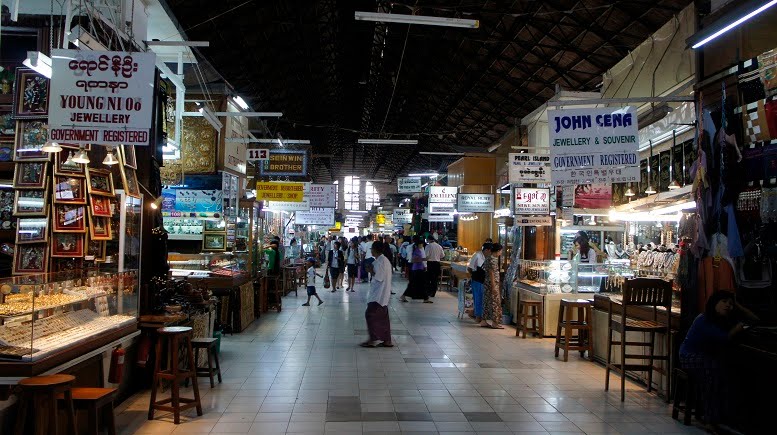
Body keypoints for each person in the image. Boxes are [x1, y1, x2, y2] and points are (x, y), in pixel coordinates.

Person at [680, 290, 759, 429]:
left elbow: (755, 320)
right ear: (714, 303)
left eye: (730, 303)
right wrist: (737, 328)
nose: (728, 305)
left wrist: (738, 306)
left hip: (707, 357)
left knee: (720, 370)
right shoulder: (704, 319)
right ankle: (711, 419)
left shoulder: (723, 319)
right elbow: (724, 338)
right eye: (724, 302)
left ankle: (720, 416)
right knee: (713, 372)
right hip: (689, 356)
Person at [361, 241, 393, 347]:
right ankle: (387, 340)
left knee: (370, 315)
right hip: (383, 294)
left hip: (378, 295)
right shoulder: (384, 260)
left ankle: (373, 339)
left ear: (374, 250)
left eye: (371, 249)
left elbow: (379, 277)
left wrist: (370, 271)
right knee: (383, 318)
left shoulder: (380, 262)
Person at [401, 236, 432, 303]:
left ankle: (425, 298)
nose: (422, 245)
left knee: (416, 284)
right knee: (418, 284)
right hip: (417, 269)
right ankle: (425, 298)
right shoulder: (417, 250)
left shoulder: (418, 250)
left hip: (419, 268)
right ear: (418, 244)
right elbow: (413, 260)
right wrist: (424, 259)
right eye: (421, 244)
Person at [467, 243, 492, 323]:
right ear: (487, 250)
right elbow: (470, 268)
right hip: (477, 280)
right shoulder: (477, 255)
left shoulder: (488, 257)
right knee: (478, 298)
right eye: (490, 251)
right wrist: (474, 276)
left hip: (483, 280)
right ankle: (478, 316)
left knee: (482, 299)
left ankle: (479, 314)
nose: (491, 253)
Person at [481, 243, 504, 329]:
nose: (501, 253)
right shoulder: (493, 259)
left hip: (487, 284)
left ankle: (484, 320)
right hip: (492, 284)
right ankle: (495, 322)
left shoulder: (488, 258)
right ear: (497, 251)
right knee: (495, 303)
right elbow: (491, 273)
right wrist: (494, 286)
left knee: (486, 301)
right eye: (501, 251)